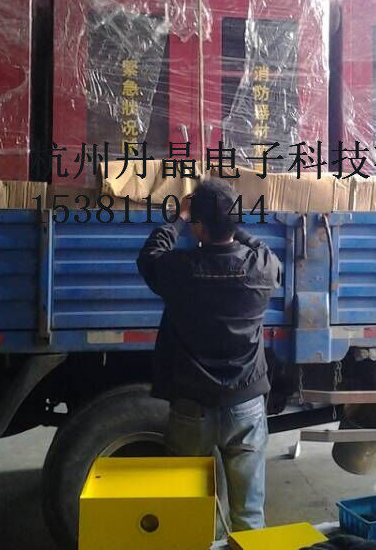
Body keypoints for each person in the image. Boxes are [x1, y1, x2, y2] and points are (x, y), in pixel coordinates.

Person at [136, 177, 281, 531]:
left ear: (198, 226)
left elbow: (150, 255)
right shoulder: (262, 267)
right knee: (250, 514)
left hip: (192, 407)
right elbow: (263, 248)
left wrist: (180, 218)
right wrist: (230, 224)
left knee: (196, 514)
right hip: (246, 405)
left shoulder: (180, 270)